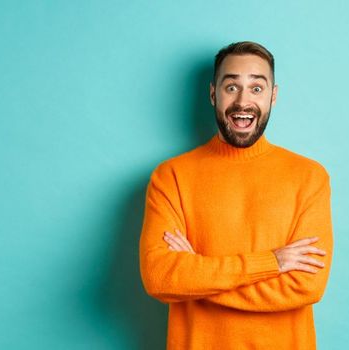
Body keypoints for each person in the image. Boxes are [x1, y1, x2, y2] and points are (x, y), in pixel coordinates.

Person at [139, 41, 333, 349]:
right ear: (213, 94)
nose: (243, 101)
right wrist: (271, 263)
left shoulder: (309, 177)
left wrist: (196, 277)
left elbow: (306, 285)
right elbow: (161, 276)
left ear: (273, 95)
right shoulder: (171, 177)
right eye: (232, 87)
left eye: (257, 88)